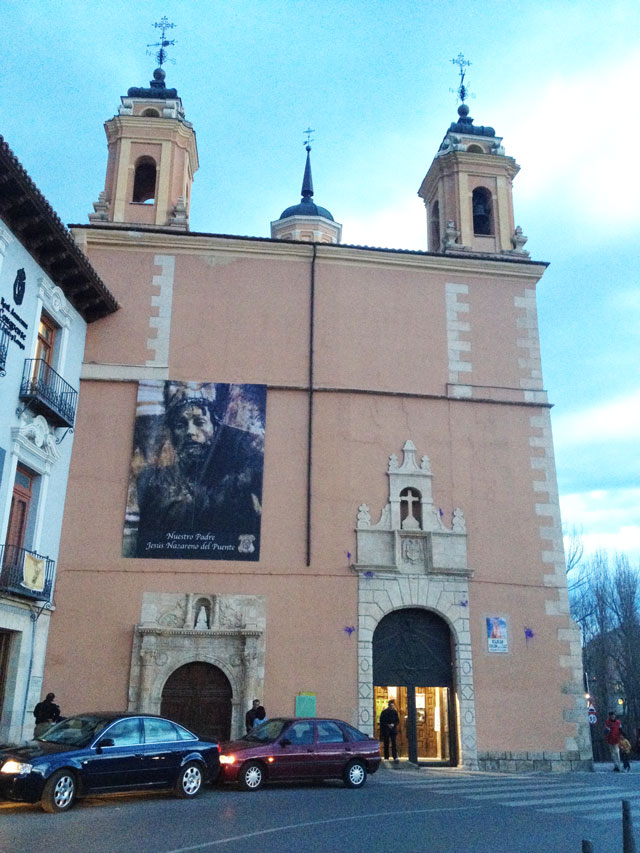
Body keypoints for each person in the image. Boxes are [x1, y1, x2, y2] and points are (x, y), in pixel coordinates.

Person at [135, 383, 264, 560]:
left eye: (199, 422)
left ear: (215, 429)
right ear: (172, 435)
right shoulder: (156, 483)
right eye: (181, 425)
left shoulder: (240, 479)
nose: (190, 432)